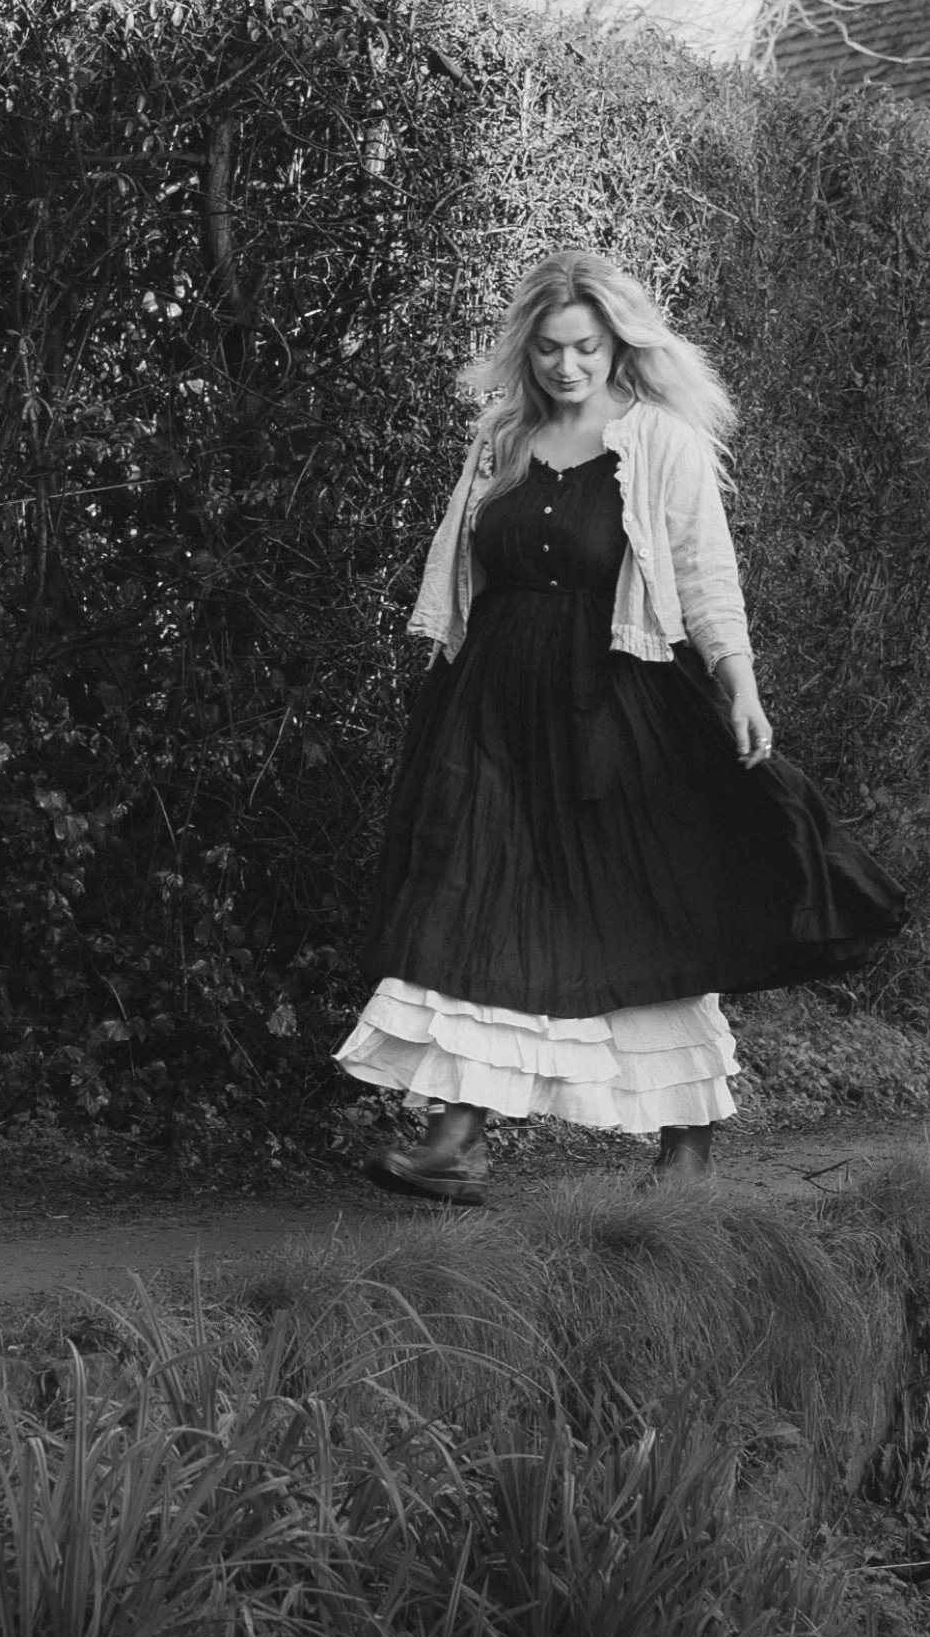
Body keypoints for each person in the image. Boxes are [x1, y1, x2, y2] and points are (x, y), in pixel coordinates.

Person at [336, 249, 906, 1202]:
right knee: (476, 889)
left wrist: (741, 685)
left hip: (617, 698)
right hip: (494, 707)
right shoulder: (500, 440)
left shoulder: (659, 442)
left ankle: (684, 1151)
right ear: (527, 350)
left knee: (638, 905)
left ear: (616, 346)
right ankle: (454, 1142)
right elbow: (461, 575)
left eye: (586, 348)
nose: (567, 367)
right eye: (551, 349)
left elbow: (702, 576)